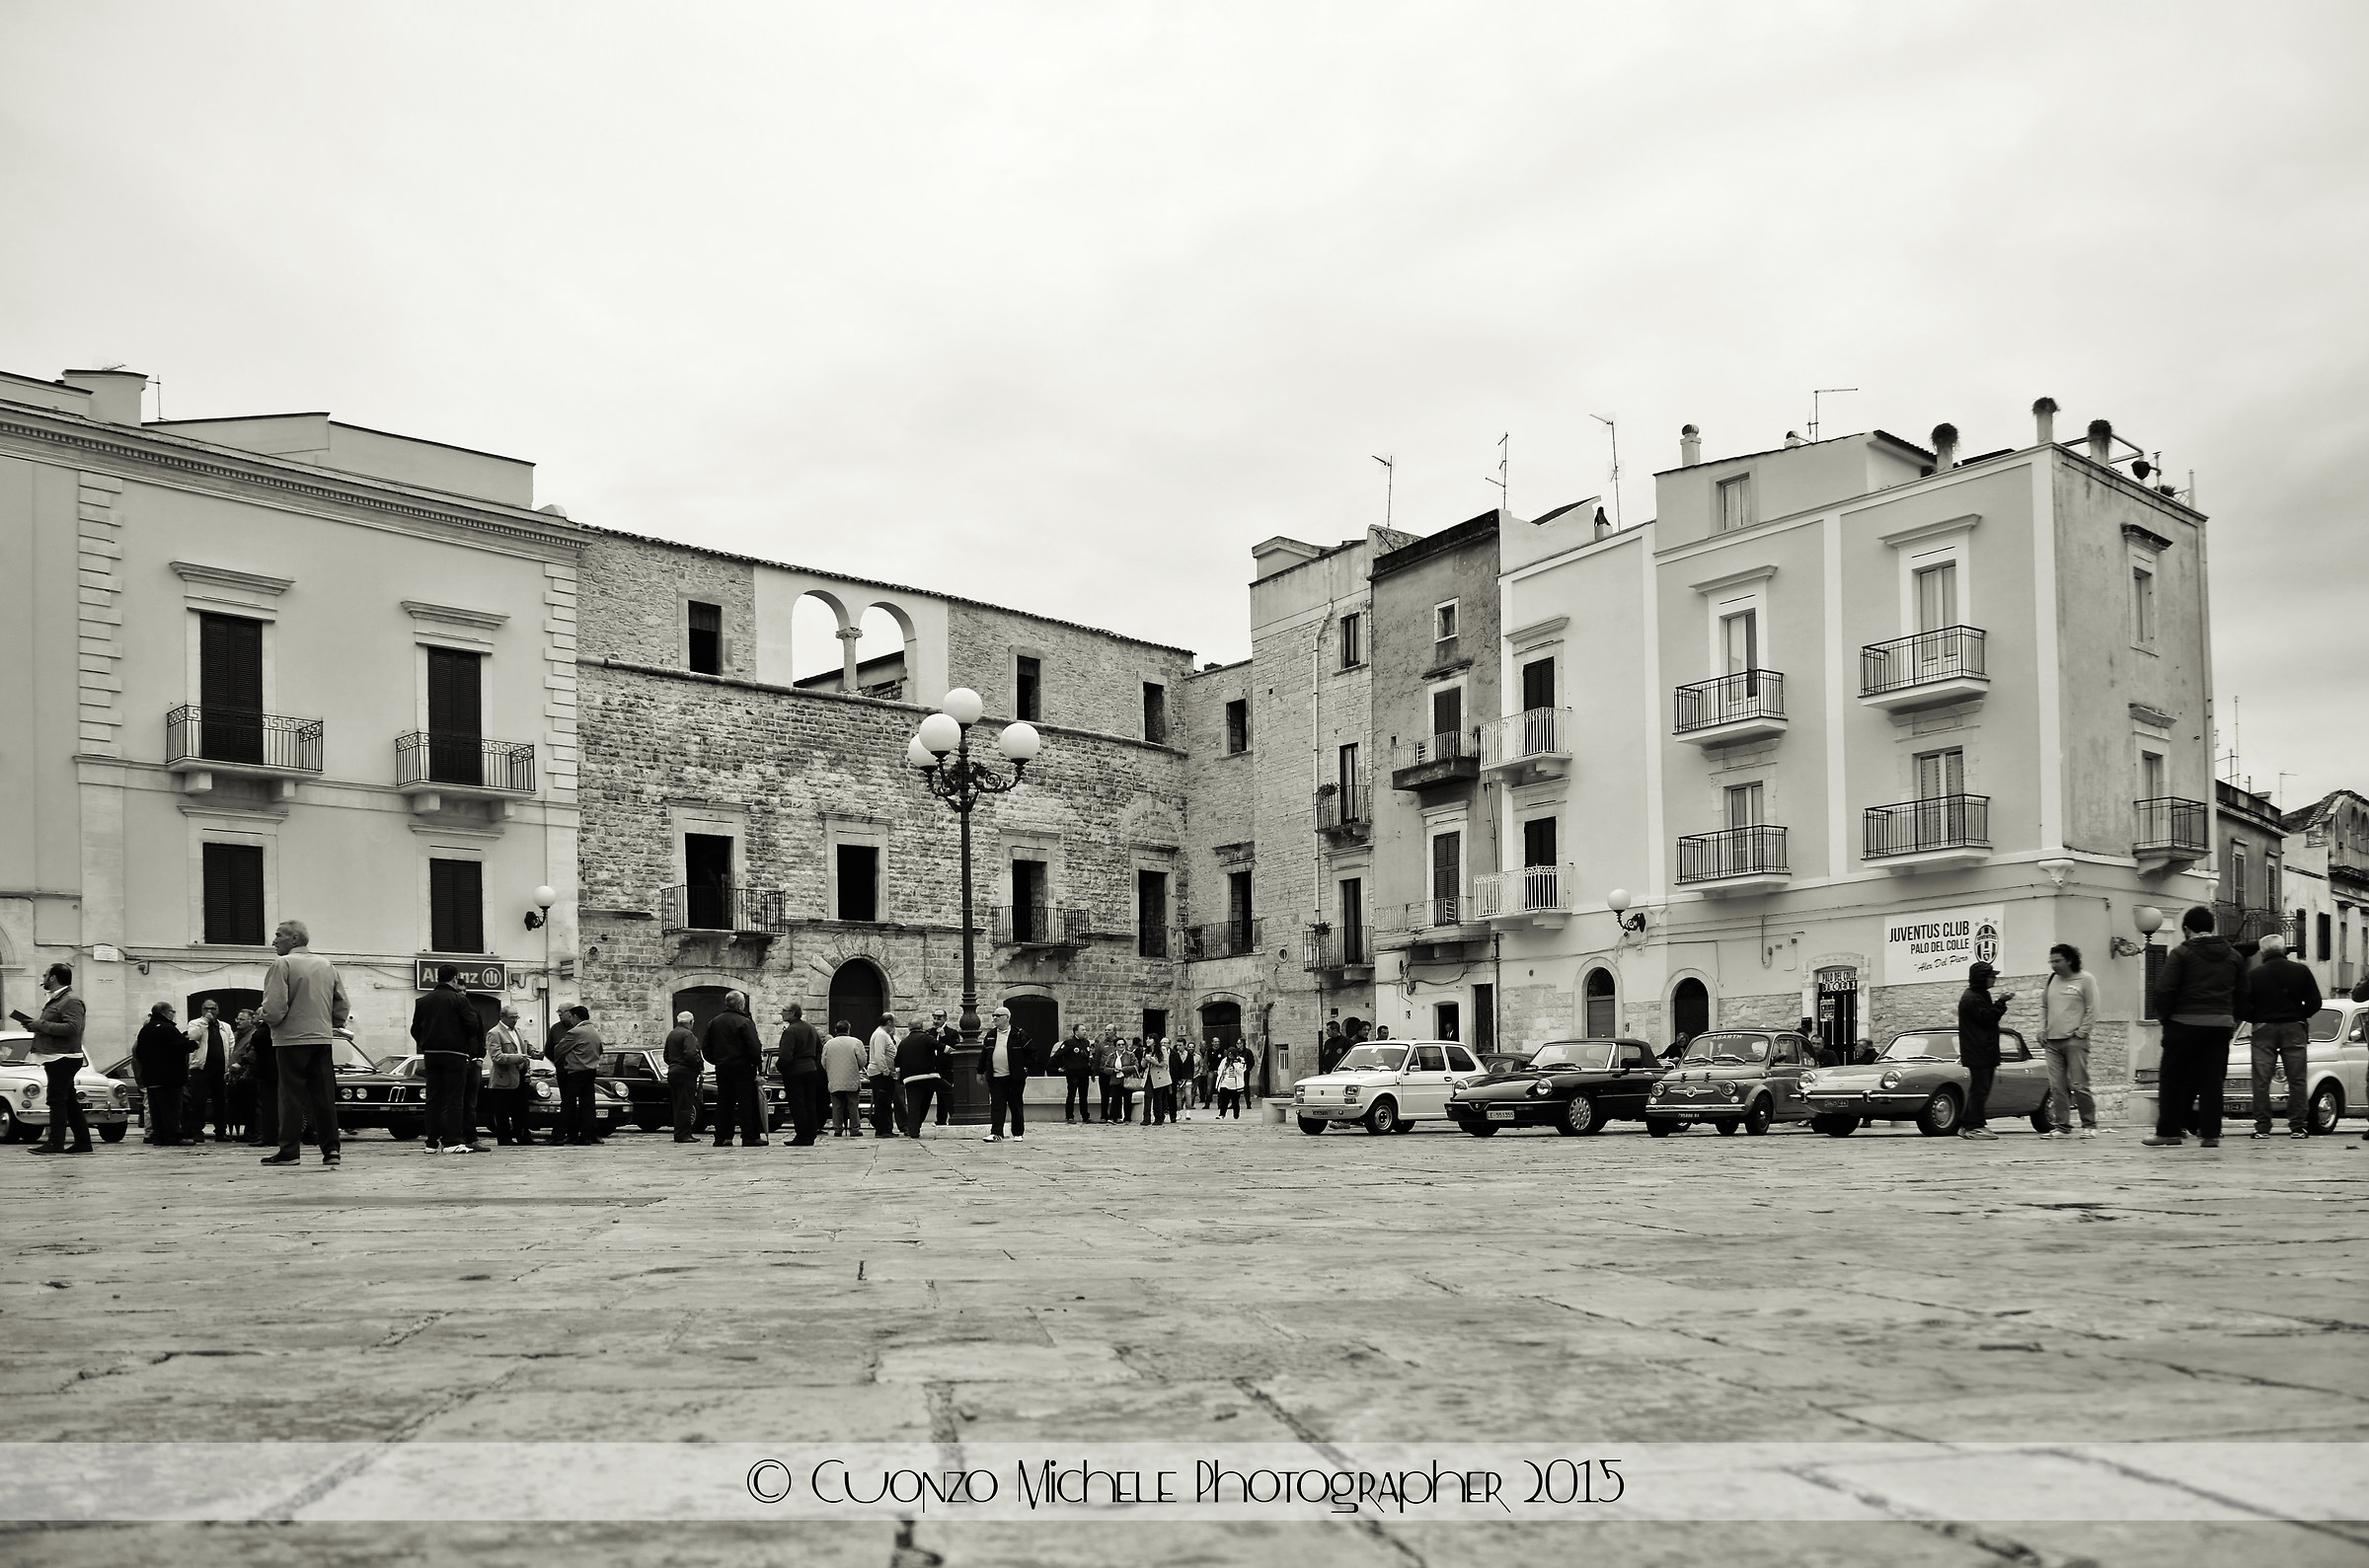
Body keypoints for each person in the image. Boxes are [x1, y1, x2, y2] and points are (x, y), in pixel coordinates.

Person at [2144, 906, 2250, 1149]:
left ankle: (2169, 1131)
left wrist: (2165, 1017)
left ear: (2186, 929)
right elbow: (2243, 993)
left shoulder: (2181, 954)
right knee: (2212, 1080)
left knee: (2172, 1079)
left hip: (2183, 1024)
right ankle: (2210, 1133)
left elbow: (2165, 989)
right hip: (2220, 1025)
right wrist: (2232, 1018)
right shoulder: (2234, 956)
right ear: (2211, 928)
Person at [257, 921, 348, 1168]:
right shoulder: (326, 965)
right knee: (324, 1096)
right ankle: (331, 1150)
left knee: (291, 1096)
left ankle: (289, 1150)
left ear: (294, 939)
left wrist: (263, 1017)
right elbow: (341, 1005)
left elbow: (275, 1008)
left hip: (290, 1040)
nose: (274, 941)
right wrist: (328, 1022)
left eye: (278, 936)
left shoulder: (282, 964)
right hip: (321, 1038)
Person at [2246, 933, 2323, 1140]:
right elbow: (2315, 1002)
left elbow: (2241, 1006)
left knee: (2261, 1080)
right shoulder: (2301, 971)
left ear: (2263, 952)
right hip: (2294, 1028)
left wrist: (2256, 1017)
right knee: (2297, 1079)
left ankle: (2262, 1127)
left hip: (2263, 1028)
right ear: (2284, 950)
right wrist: (2300, 1014)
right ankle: (2297, 1126)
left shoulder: (2254, 975)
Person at [12, 963, 91, 1155]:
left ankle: (55, 1143)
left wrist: (40, 1025)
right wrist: (36, 1026)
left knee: (56, 1100)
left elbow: (73, 1028)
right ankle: (83, 1143)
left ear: (53, 978)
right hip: (55, 1056)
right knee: (69, 1100)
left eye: (45, 975)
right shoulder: (58, 1000)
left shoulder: (71, 1001)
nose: (43, 978)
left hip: (63, 1057)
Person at [411, 964, 485, 1154]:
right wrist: (463, 1043)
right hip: (455, 1054)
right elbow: (472, 1025)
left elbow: (415, 1029)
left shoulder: (423, 1001)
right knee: (454, 1099)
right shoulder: (459, 1000)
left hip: (431, 1054)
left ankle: (431, 1142)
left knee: (433, 1098)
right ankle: (452, 1141)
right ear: (454, 978)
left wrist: (426, 1043)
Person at [2039, 943, 2102, 1139]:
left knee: (2079, 1084)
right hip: (2052, 1042)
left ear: (2070, 960)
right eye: (2051, 961)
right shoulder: (2052, 980)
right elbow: (2044, 1006)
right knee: (2057, 1086)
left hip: (2074, 1041)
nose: (2054, 965)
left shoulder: (2085, 979)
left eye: (2058, 961)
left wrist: (2082, 1033)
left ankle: (2089, 1124)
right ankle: (2062, 1126)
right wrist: (2042, 1029)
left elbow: (2093, 1008)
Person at [1954, 962, 2013, 1142]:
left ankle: (1967, 1124)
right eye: (1991, 976)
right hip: (1979, 1051)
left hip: (1983, 1050)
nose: (1994, 979)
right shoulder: (1972, 998)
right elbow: (1987, 1019)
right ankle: (1975, 1126)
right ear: (1982, 978)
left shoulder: (1979, 994)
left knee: (1979, 1089)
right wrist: (2001, 1002)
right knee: (1980, 1089)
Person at [701, 993, 767, 1148]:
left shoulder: (714, 1022)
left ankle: (723, 1137)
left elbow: (706, 1048)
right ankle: (749, 1136)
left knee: (724, 1102)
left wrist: (717, 1061)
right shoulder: (744, 1022)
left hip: (723, 1068)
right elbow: (754, 1046)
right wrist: (756, 1065)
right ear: (740, 1005)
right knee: (746, 1103)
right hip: (743, 1068)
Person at [134, 1002, 191, 1147]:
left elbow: (138, 1052)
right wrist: (192, 1043)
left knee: (156, 1110)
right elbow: (182, 1046)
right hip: (170, 1078)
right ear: (166, 1013)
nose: (174, 1014)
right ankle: (172, 1136)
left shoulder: (145, 1030)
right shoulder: (168, 1028)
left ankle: (158, 1136)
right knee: (171, 1109)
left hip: (151, 1078)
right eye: (173, 1011)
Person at [182, 1000, 235, 1143]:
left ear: (218, 1010)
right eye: (207, 1008)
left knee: (220, 1102)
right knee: (198, 1102)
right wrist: (205, 1021)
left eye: (213, 1008)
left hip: (220, 1070)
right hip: (201, 1069)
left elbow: (231, 1047)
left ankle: (220, 1132)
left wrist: (229, 1066)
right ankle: (197, 1131)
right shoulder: (195, 1023)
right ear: (202, 1010)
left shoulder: (225, 1027)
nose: (210, 1011)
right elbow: (193, 1036)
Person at [551, 1006, 604, 1146]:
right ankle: (586, 1136)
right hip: (591, 1071)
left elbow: (559, 1050)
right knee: (588, 1105)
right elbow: (601, 1049)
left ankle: (558, 1135)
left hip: (576, 1071)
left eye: (571, 1017)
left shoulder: (575, 1032)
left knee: (568, 1104)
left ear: (575, 1017)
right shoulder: (594, 1031)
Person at [778, 1004, 827, 1146]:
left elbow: (785, 1055)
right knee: (810, 1103)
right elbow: (819, 1049)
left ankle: (802, 1135)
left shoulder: (790, 1031)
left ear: (792, 1013)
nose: (781, 1013)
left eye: (784, 1011)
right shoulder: (811, 1028)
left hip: (795, 1071)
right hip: (811, 1070)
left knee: (797, 1104)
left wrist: (781, 1067)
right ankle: (811, 1133)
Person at [981, 1006, 1031, 1142]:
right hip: (996, 1078)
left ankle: (1018, 1133)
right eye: (994, 1015)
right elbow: (984, 1054)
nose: (995, 1018)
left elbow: (1031, 1052)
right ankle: (996, 1133)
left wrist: (1025, 1068)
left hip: (1014, 1078)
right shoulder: (990, 1035)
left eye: (998, 1015)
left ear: (1007, 1018)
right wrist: (980, 1071)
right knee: (997, 1106)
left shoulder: (1019, 1034)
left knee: (1015, 1105)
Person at [484, 1007, 533, 1146]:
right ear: (503, 1017)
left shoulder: (519, 1031)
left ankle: (522, 1136)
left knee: (521, 1109)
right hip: (504, 1077)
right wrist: (517, 1058)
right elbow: (496, 1056)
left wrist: (536, 1053)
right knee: (503, 1110)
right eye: (512, 1017)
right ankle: (504, 1138)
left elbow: (527, 1048)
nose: (515, 1020)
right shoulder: (494, 1033)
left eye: (516, 1017)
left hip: (521, 1075)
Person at [896, 1017, 946, 1136]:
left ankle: (913, 1130)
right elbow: (939, 1046)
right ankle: (955, 1116)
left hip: (910, 1079)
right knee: (943, 1093)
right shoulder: (926, 1038)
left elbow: (897, 1062)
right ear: (922, 1026)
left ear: (909, 1028)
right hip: (927, 1077)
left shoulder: (903, 1042)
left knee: (913, 1105)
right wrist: (952, 1050)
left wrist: (900, 1077)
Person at [662, 1010, 703, 1143]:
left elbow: (666, 1056)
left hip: (673, 1071)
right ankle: (684, 1134)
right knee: (686, 1104)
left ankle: (679, 1132)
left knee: (677, 1104)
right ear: (691, 1022)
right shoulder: (688, 1034)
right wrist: (698, 1066)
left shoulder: (672, 1034)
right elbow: (691, 1054)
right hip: (686, 1072)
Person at [822, 1019, 866, 1137]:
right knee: (853, 1105)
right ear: (848, 1030)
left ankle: (837, 1129)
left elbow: (823, 1062)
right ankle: (854, 1129)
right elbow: (862, 1060)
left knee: (837, 1106)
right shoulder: (856, 1042)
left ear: (836, 1030)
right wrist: (857, 1068)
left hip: (835, 1080)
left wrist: (831, 1071)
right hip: (851, 1079)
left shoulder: (828, 1044)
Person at [866, 1013, 901, 1138]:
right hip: (880, 1073)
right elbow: (879, 1055)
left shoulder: (883, 1034)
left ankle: (887, 1128)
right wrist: (886, 1071)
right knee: (882, 1102)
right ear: (889, 1022)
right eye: (894, 1021)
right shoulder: (880, 1035)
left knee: (886, 1103)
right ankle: (882, 1130)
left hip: (884, 1073)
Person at [1055, 1024, 1094, 1123]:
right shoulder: (1069, 1043)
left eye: (1085, 1030)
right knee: (1071, 1095)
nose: (1085, 1032)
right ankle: (1070, 1116)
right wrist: (1064, 1066)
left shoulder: (1086, 1043)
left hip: (1084, 1073)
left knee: (1084, 1096)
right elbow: (1058, 1055)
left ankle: (1085, 1116)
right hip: (1073, 1073)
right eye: (1082, 1030)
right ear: (1076, 1032)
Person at [931, 1009, 958, 1125]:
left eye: (939, 1018)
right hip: (933, 1068)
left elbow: (953, 1048)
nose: (936, 1021)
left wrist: (944, 1037)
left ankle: (952, 1116)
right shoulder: (930, 1032)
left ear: (945, 1019)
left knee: (946, 1094)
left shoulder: (952, 1033)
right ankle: (940, 1120)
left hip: (946, 1068)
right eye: (935, 1018)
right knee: (937, 1094)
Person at [1143, 1037, 1172, 1127]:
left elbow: (1164, 1063)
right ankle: (1146, 1118)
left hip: (1158, 1076)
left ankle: (1158, 1118)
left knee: (1157, 1098)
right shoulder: (1146, 1051)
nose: (1147, 1040)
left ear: (1155, 1041)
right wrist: (1144, 1060)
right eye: (1146, 1039)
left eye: (1150, 1039)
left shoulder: (1162, 1050)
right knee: (1147, 1096)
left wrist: (1152, 1060)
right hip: (1148, 1076)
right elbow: (1143, 1065)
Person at [1215, 1044, 1247, 1117]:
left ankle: (1236, 1114)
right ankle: (1222, 1114)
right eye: (1229, 1054)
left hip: (1235, 1084)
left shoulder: (1241, 1060)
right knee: (1224, 1101)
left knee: (1235, 1101)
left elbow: (1241, 1070)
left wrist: (1235, 1063)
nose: (1230, 1056)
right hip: (1225, 1083)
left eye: (1231, 1055)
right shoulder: (1224, 1061)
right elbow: (1220, 1070)